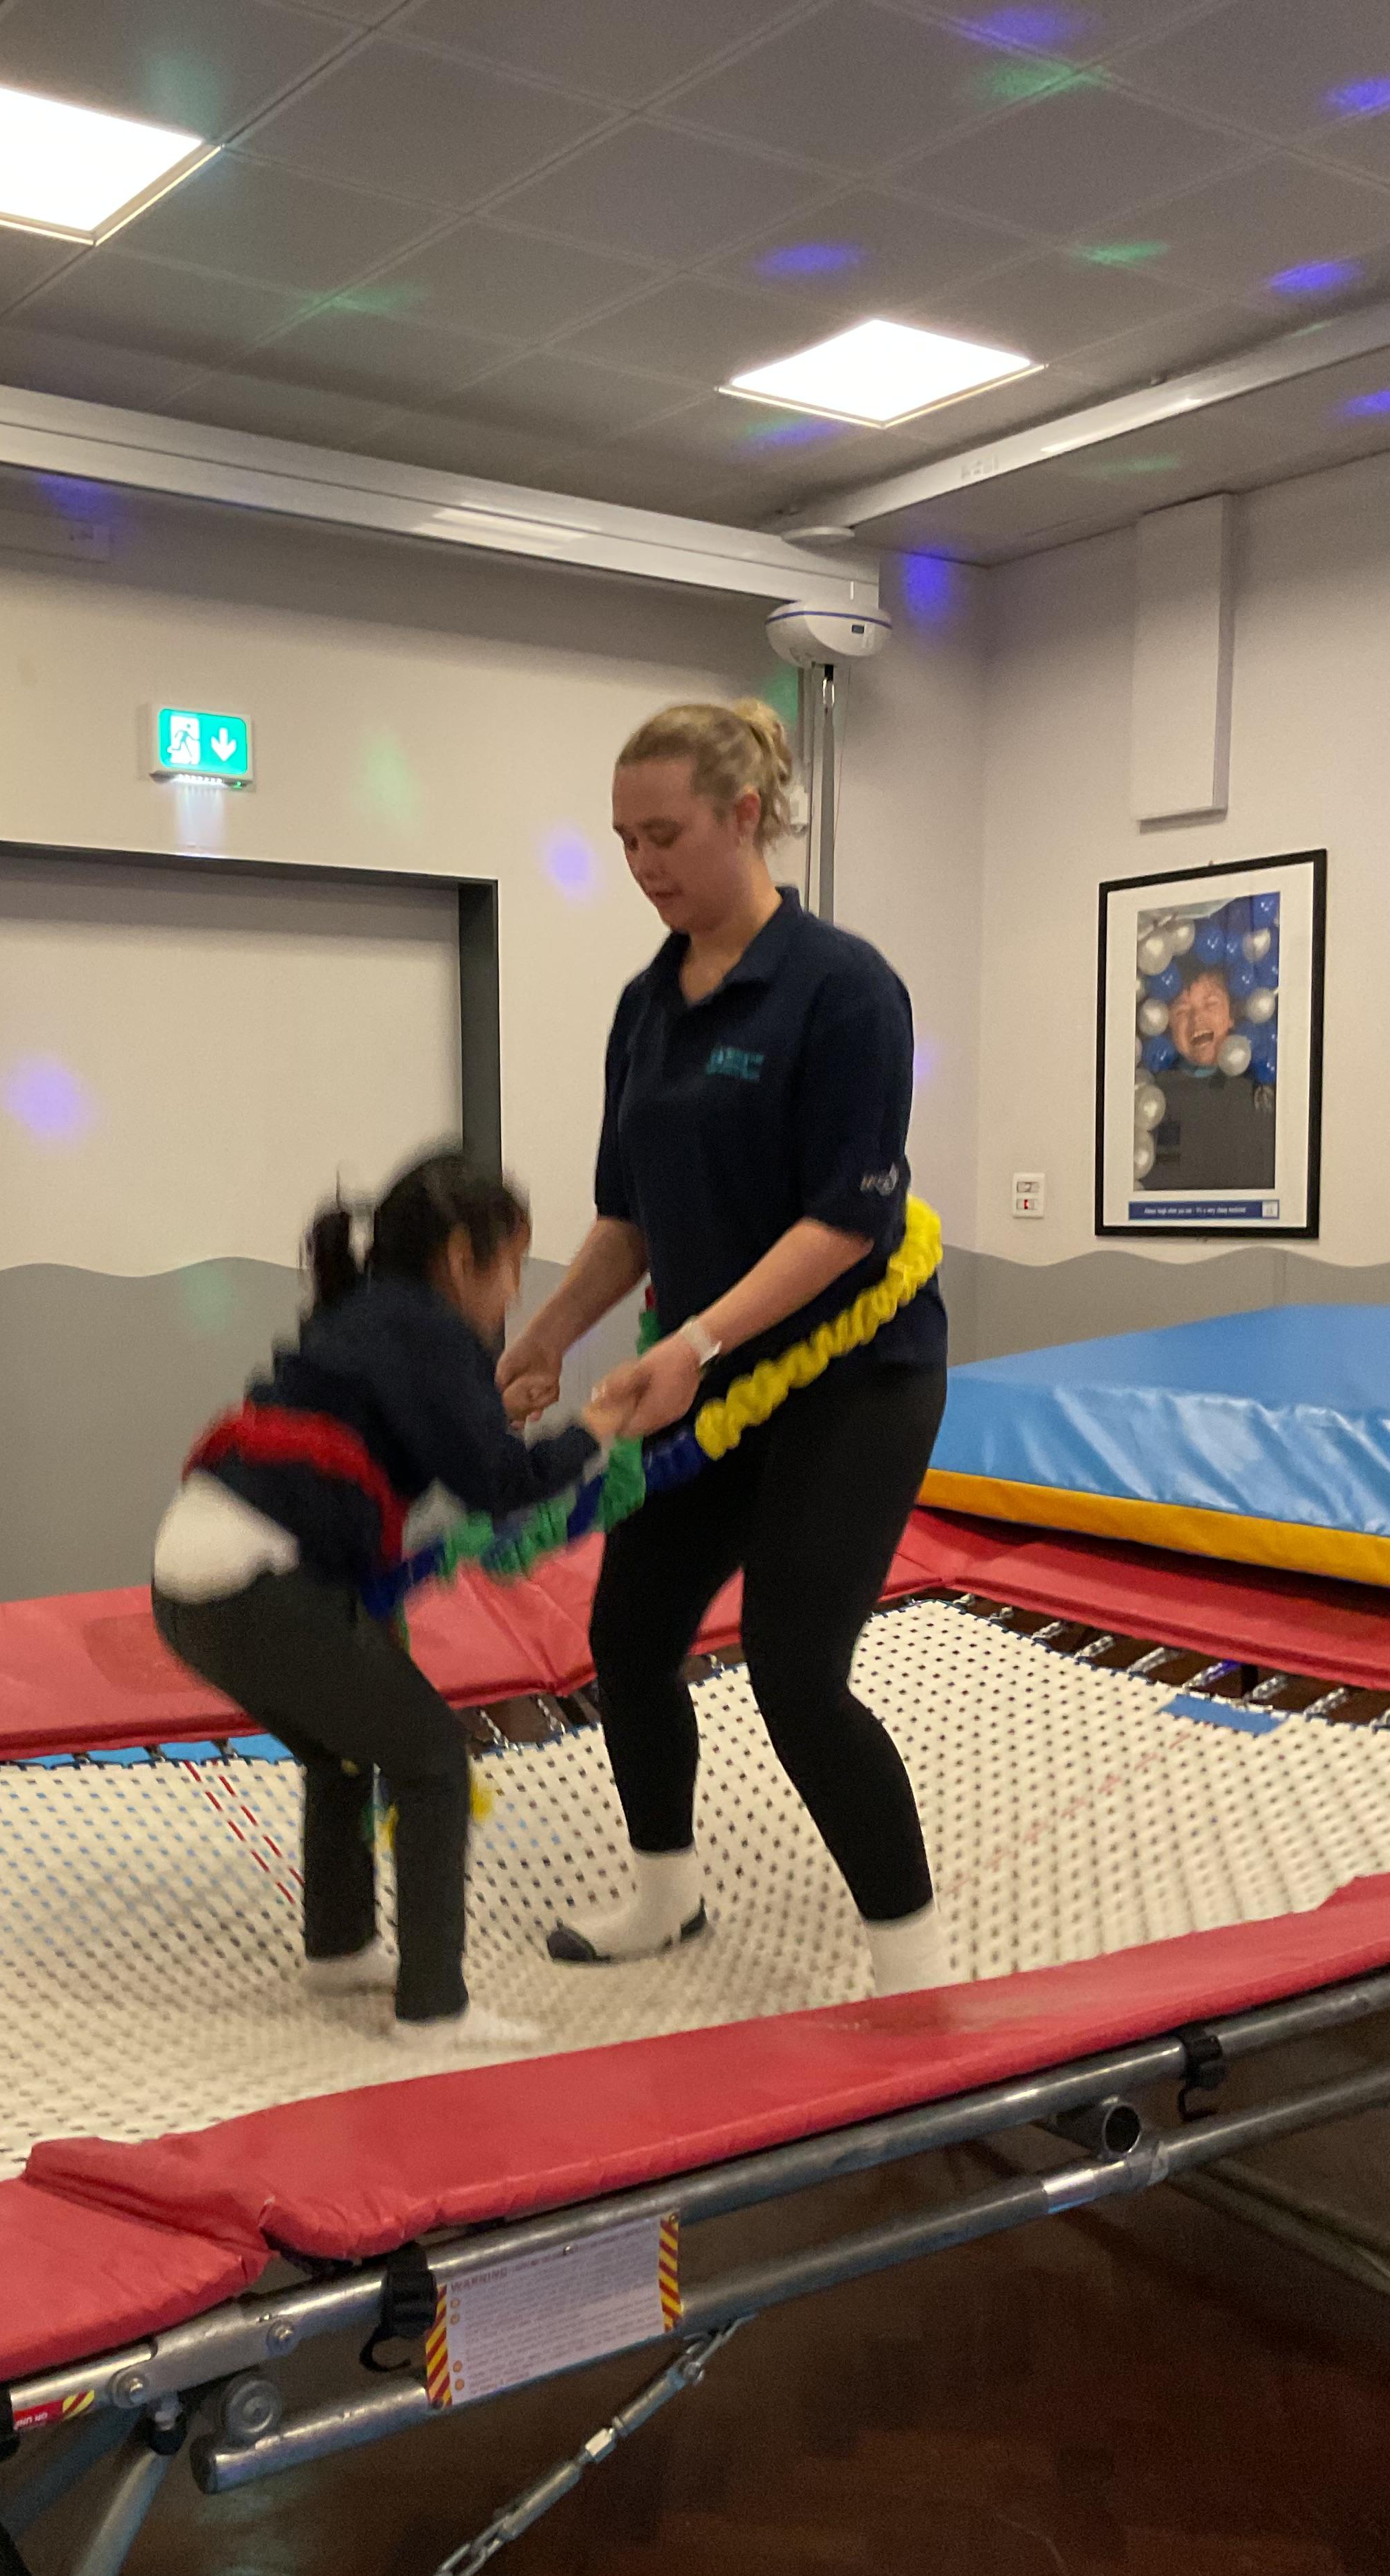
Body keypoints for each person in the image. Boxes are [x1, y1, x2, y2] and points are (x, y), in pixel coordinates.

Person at [496, 699, 953, 1999]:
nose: (641, 865)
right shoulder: (646, 1007)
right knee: (630, 1635)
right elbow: (628, 1217)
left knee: (795, 1672)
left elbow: (849, 1221)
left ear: (743, 815)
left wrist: (696, 1341)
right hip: (697, 1380)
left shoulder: (843, 989)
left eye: (664, 835)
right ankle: (666, 1896)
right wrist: (544, 1336)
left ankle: (915, 1975)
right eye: (623, 841)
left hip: (853, 1382)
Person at [151, 1149, 626, 2054]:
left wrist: (497, 1416)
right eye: (511, 1266)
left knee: (340, 1749)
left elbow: (427, 1434)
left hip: (188, 1585)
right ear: (461, 1257)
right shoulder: (427, 1328)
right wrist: (596, 1430)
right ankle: (434, 2009)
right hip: (257, 1584)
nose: (514, 1293)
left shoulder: (373, 1311)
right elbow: (498, 1487)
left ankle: (339, 1950)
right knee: (433, 1759)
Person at [1146, 962, 1275, 1191]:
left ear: (1232, 1015)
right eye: (1182, 1011)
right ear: (1166, 1025)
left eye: (1211, 1004)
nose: (1197, 1018)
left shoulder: (1260, 1089)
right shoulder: (1155, 1100)